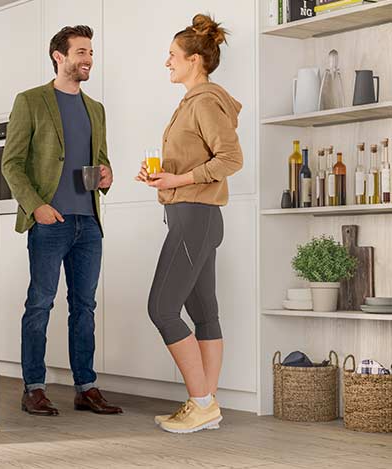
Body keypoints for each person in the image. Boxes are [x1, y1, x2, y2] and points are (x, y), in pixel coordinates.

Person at [1, 25, 121, 416]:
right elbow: (12, 163)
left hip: (88, 222)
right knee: (40, 304)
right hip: (50, 221)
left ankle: (86, 387)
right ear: (59, 56)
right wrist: (35, 206)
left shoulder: (96, 109)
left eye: (91, 53)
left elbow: (99, 158)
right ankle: (33, 387)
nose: (88, 60)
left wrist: (106, 173)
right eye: (81, 52)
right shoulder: (31, 101)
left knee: (84, 307)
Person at [136, 14, 243, 433]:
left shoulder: (205, 102)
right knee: (204, 312)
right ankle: (207, 406)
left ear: (195, 60)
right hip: (193, 215)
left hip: (194, 218)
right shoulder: (192, 103)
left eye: (172, 56)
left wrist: (179, 179)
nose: (167, 62)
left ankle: (201, 402)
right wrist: (162, 178)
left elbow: (231, 159)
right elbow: (198, 161)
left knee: (161, 307)